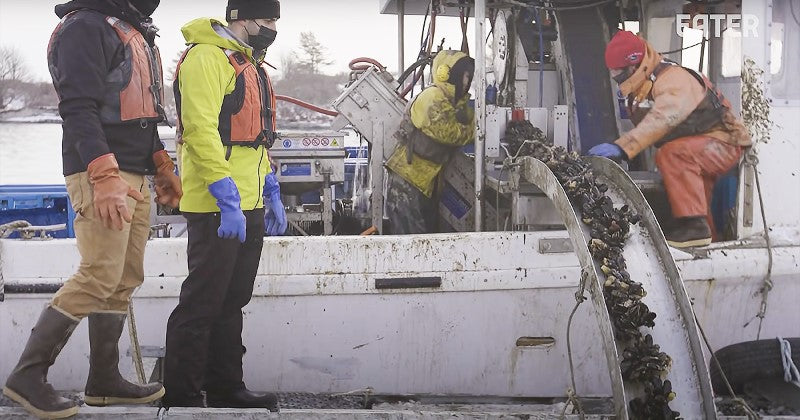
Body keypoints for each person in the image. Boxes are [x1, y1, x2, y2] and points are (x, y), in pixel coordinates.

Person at [2, 0, 181, 418]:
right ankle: (27, 376)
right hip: (101, 174)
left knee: (124, 276)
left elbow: (140, 116)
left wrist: (162, 164)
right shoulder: (83, 27)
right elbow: (77, 108)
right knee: (99, 272)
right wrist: (102, 176)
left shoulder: (131, 28)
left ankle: (104, 380)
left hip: (135, 173)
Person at [162, 0, 286, 410]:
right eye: (266, 19)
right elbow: (200, 129)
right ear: (240, 19)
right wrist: (224, 194)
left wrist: (269, 186)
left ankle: (225, 387)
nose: (271, 27)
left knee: (233, 300)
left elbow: (253, 138)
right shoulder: (206, 59)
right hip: (216, 203)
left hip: (247, 201)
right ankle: (180, 395)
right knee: (202, 301)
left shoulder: (246, 62)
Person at [589, 30, 751, 248]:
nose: (615, 76)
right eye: (613, 71)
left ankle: (694, 229)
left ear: (634, 65)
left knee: (672, 154)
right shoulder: (643, 85)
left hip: (724, 142)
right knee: (698, 196)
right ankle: (704, 240)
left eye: (618, 71)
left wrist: (623, 147)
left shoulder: (673, 78)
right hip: (702, 146)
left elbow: (663, 118)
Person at [385, 50, 475, 234]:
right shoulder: (432, 98)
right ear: (449, 74)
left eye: (469, 76)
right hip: (408, 180)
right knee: (411, 242)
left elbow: (468, 120)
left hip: (426, 181)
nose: (467, 81)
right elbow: (449, 133)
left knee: (427, 235)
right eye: (464, 75)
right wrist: (479, 128)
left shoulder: (454, 102)